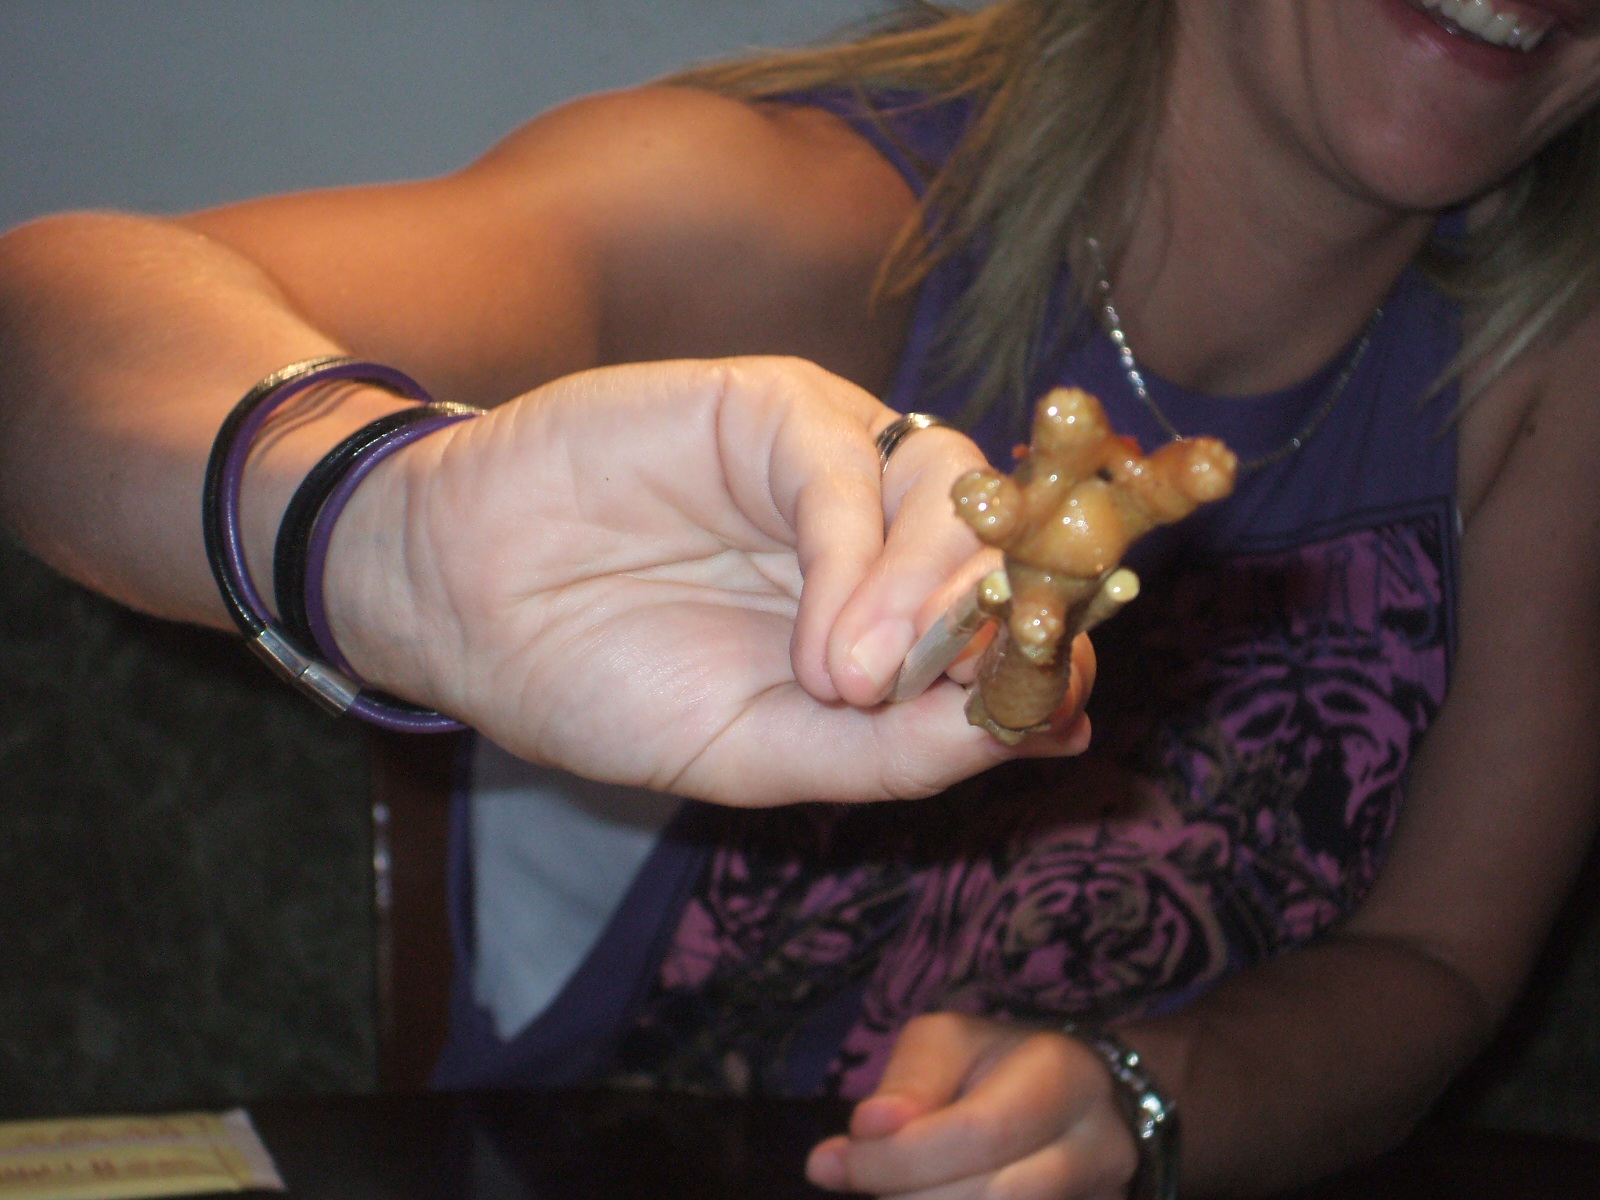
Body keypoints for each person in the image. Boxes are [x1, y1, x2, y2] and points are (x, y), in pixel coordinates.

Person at [2, 0, 1598, 1196]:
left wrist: (1143, 1099)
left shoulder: (1551, 381)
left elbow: (1442, 963)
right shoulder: (802, 220)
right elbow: (51, 317)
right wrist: (389, 531)